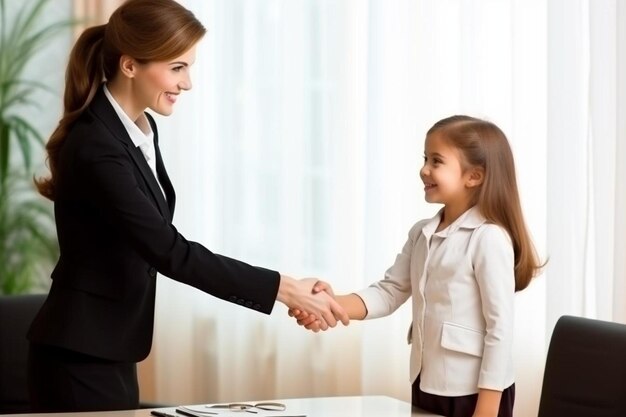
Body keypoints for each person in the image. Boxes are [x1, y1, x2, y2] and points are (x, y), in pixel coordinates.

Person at [28, 0, 348, 412]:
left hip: (111, 347)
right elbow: (169, 251)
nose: (187, 83)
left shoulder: (138, 129)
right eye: (177, 67)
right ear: (130, 66)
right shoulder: (96, 146)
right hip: (78, 357)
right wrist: (285, 290)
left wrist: (289, 290)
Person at [290, 115, 544, 417]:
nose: (424, 169)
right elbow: (390, 291)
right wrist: (330, 303)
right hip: (426, 382)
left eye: (436, 161)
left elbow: (499, 329)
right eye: (425, 158)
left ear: (473, 176)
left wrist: (488, 407)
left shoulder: (488, 238)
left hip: (475, 393)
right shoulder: (422, 232)